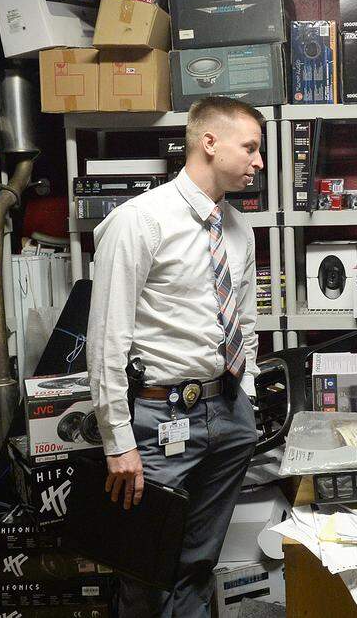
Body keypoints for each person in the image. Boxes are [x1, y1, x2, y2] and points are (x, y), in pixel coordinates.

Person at [86, 96, 264, 617]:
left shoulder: (239, 229)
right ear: (209, 143)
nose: (259, 162)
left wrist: (245, 398)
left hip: (228, 415)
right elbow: (106, 341)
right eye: (250, 148)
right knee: (147, 571)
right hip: (160, 418)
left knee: (197, 564)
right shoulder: (139, 221)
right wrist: (117, 440)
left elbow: (245, 321)